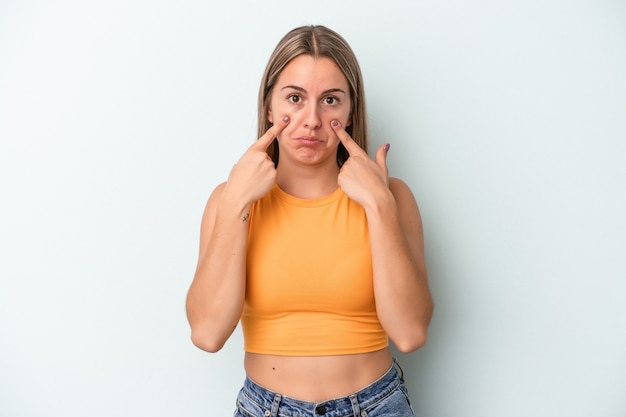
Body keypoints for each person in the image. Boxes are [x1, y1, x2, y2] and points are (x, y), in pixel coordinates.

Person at [186, 24, 433, 417]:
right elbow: (207, 333)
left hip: (377, 405)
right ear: (270, 107)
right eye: (295, 98)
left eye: (331, 100)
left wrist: (380, 207)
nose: (312, 119)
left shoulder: (392, 198)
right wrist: (236, 202)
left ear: (351, 111)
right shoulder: (229, 200)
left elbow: (410, 333)